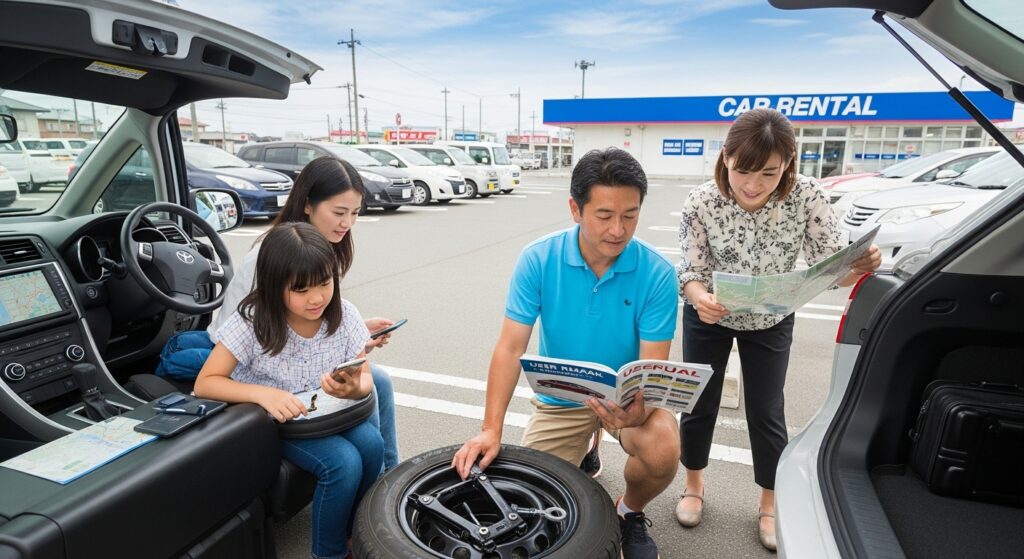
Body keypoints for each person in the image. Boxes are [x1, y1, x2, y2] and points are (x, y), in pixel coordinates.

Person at [453, 148, 680, 559]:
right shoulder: (538, 259)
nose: (618, 229)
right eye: (605, 215)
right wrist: (491, 428)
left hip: (623, 402)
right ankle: (585, 444)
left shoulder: (659, 274)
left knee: (663, 447)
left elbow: (653, 370)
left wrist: (638, 414)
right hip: (562, 399)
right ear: (575, 208)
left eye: (630, 215)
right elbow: (510, 347)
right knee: (532, 496)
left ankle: (628, 511)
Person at [674, 108, 882, 551]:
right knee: (698, 401)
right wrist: (698, 297)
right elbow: (690, 270)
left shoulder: (809, 196)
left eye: (768, 173)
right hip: (710, 313)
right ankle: (693, 485)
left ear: (788, 163)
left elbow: (832, 267)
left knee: (767, 411)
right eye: (743, 170)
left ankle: (769, 503)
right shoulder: (701, 201)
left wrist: (859, 265)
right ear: (725, 158)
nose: (752, 184)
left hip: (772, 318)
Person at [156, 156, 401, 470]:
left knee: (374, 379)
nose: (347, 224)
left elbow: (308, 313)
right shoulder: (273, 254)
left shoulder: (321, 244)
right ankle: (384, 477)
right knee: (374, 379)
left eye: (354, 213)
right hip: (247, 353)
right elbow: (269, 329)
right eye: (339, 213)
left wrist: (356, 328)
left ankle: (387, 474)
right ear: (308, 205)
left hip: (287, 341)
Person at [194, 222, 383, 559]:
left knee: (372, 444)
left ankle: (357, 536)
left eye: (325, 283)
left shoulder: (343, 315)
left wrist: (355, 388)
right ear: (273, 286)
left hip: (325, 415)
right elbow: (206, 383)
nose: (316, 298)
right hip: (280, 422)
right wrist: (263, 395)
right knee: (343, 463)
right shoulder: (252, 322)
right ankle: (329, 553)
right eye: (300, 289)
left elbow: (365, 377)